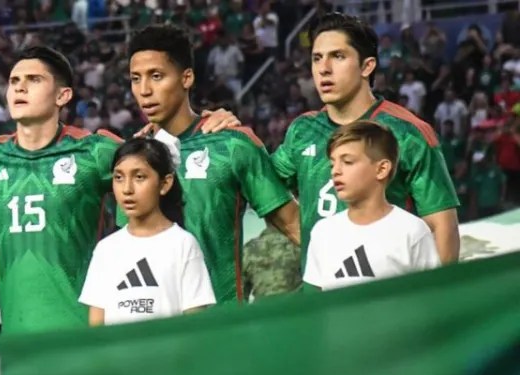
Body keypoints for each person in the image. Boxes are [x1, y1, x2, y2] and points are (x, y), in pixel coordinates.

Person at [0, 46, 239, 333]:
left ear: (62, 96)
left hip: (85, 333)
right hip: (17, 339)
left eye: (34, 80)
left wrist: (208, 122)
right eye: (14, 81)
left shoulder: (92, 151)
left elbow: (159, 159)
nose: (20, 88)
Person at [127, 24, 301, 303]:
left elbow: (294, 226)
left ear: (186, 78)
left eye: (156, 76)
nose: (144, 90)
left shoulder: (231, 145)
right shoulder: (130, 159)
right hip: (153, 329)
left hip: (221, 326)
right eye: (136, 79)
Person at [272, 13, 459, 265]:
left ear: (366, 66)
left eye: (338, 56)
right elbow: (261, 181)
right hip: (320, 296)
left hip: (386, 295)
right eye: (317, 58)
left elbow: (442, 228)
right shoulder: (302, 130)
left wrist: (427, 300)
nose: (324, 69)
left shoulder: (408, 133)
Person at [80, 136, 215, 324]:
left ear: (165, 183)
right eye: (119, 177)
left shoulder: (183, 244)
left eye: (139, 177)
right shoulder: (106, 249)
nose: (127, 189)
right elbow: (96, 327)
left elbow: (196, 326)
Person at [303, 121, 439, 291]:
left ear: (382, 169)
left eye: (347, 162)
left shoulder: (412, 231)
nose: (335, 171)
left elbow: (430, 299)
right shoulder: (322, 232)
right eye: (332, 164)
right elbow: (313, 305)